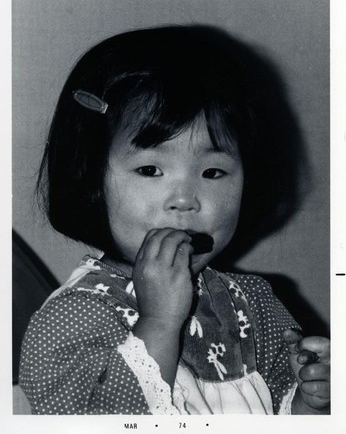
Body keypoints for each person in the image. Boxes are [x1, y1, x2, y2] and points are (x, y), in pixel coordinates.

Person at [19, 25, 330, 415]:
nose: (185, 200)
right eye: (150, 170)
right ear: (90, 179)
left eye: (213, 172)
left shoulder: (254, 304)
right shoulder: (75, 316)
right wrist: (160, 321)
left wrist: (310, 400)